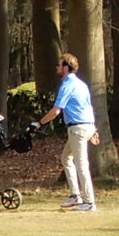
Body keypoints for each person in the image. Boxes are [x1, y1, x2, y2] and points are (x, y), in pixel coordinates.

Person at [39, 51, 99, 212]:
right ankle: (75, 196)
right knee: (66, 158)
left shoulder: (67, 85)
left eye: (59, 65)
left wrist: (39, 123)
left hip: (77, 129)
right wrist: (93, 129)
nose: (57, 67)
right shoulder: (82, 84)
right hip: (86, 126)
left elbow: (56, 110)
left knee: (81, 164)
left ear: (66, 67)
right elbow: (89, 107)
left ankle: (89, 202)